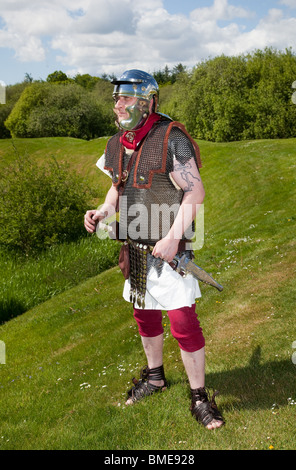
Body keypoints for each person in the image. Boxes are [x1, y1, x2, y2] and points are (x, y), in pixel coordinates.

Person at [84, 70, 224, 429]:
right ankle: (155, 377)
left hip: (168, 253)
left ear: (147, 102)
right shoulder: (117, 143)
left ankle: (198, 397)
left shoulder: (170, 137)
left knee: (182, 322)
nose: (118, 104)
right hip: (134, 249)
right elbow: (118, 186)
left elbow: (196, 193)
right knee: (144, 316)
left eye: (126, 98)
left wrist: (174, 236)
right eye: (116, 98)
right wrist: (103, 211)